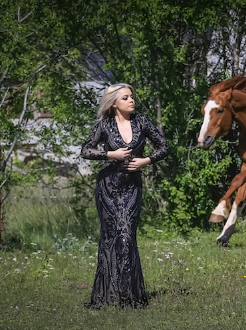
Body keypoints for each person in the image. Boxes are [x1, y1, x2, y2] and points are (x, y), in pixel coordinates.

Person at [80, 83, 168, 309]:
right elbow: (86, 150)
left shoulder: (143, 121)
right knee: (110, 239)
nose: (132, 100)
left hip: (131, 188)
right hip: (108, 188)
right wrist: (112, 154)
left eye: (132, 97)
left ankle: (131, 297)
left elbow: (164, 147)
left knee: (127, 236)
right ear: (114, 103)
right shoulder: (105, 124)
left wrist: (145, 160)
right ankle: (107, 297)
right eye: (126, 98)